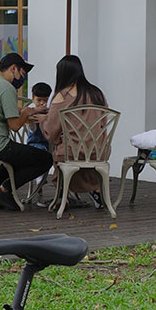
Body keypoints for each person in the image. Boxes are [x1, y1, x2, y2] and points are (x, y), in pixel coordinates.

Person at [0, 52, 50, 211]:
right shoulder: (6, 87)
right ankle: (5, 191)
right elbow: (14, 126)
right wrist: (26, 113)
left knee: (18, 154)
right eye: (22, 73)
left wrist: (30, 109)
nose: (22, 78)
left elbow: (0, 107)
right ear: (14, 68)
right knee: (44, 159)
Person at [40, 54, 110, 208]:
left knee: (63, 151)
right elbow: (103, 123)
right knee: (81, 150)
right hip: (98, 150)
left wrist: (41, 121)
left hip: (71, 152)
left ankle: (61, 195)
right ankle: (95, 189)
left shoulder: (62, 96)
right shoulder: (97, 93)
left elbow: (51, 133)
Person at [24, 82, 53, 153]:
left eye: (45, 100)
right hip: (35, 143)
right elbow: (31, 129)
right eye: (39, 100)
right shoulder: (31, 111)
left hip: (51, 144)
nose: (42, 103)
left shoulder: (52, 111)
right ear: (33, 99)